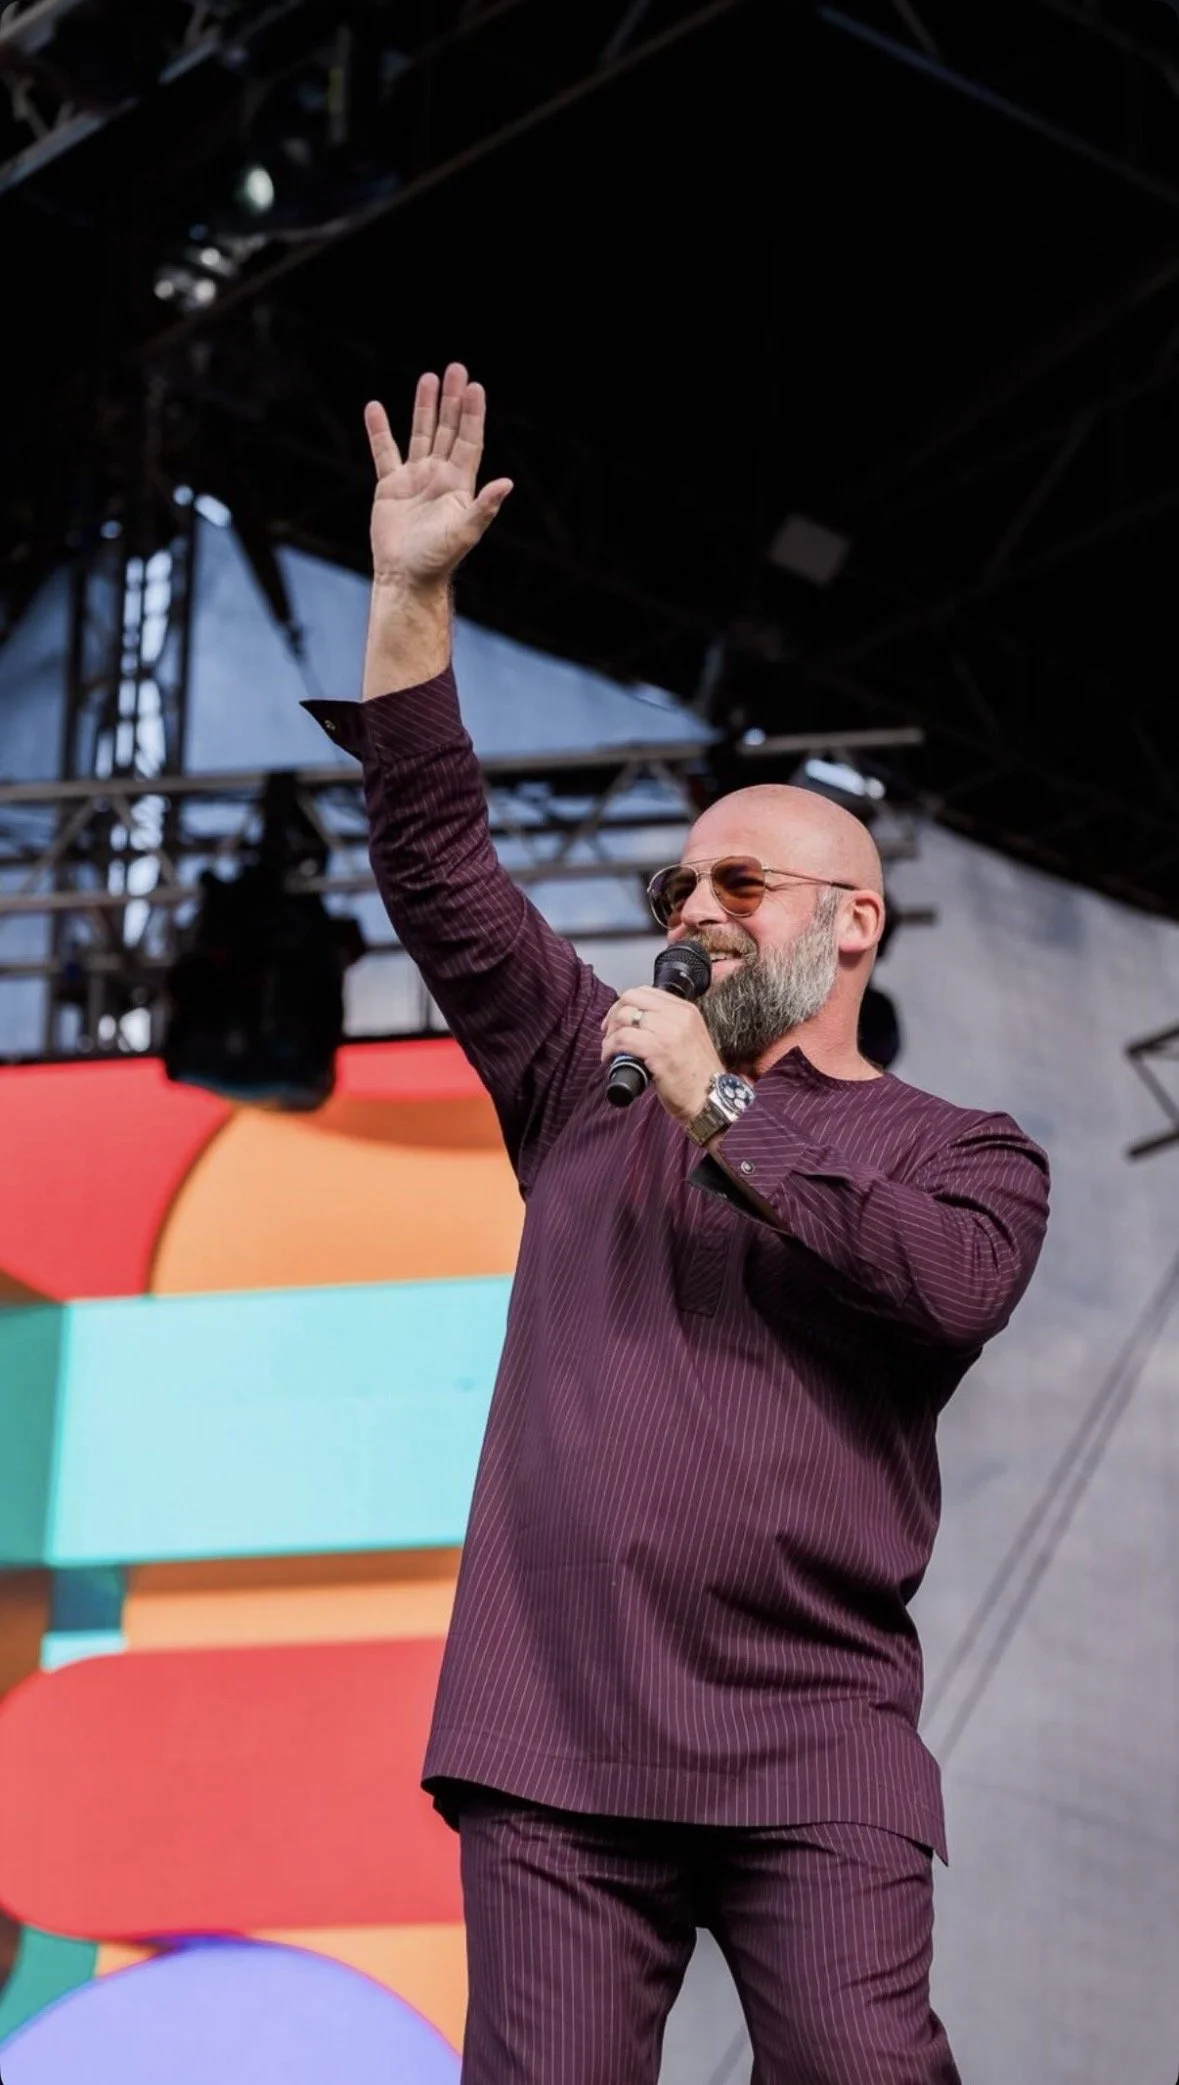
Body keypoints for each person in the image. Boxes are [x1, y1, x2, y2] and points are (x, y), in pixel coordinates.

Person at [306, 365, 1050, 2085]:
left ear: (851, 922)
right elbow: (436, 862)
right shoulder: (584, 1076)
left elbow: (940, 1289)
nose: (692, 908)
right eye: (675, 888)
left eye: (741, 883)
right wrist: (410, 601)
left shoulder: (965, 1149)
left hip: (815, 1735)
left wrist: (719, 1105)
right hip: (557, 1727)